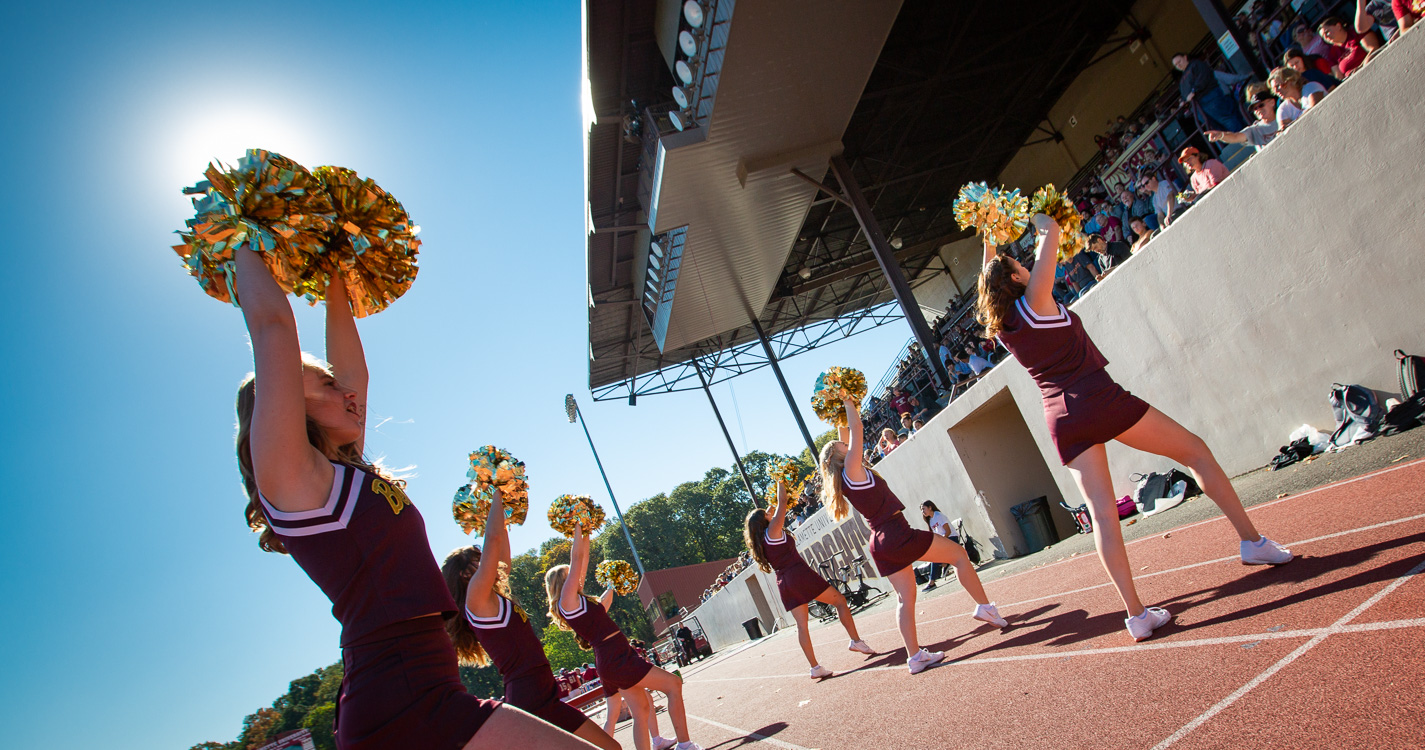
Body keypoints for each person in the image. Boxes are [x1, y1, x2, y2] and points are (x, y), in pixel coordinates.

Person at [230, 246, 591, 749]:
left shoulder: (347, 469)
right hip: (394, 697)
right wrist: (248, 225)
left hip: (426, 679)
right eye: (330, 385)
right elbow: (272, 328)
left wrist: (332, 260)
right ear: (290, 405)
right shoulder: (296, 480)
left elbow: (358, 374)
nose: (349, 392)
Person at [975, 213, 1294, 643]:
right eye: (1020, 266)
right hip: (1096, 397)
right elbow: (1050, 231)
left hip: (1060, 417)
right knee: (1196, 452)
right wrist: (1037, 216)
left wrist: (989, 231)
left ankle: (1137, 615)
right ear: (1015, 276)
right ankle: (1252, 542)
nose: (1028, 267)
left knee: (1103, 516)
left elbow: (989, 272)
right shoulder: (1035, 301)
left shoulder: (1005, 323)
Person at [819, 401, 1008, 674]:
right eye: (843, 447)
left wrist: (838, 410)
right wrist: (849, 400)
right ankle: (984, 607)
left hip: (880, 541)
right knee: (959, 555)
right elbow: (856, 428)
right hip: (896, 533)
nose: (848, 446)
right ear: (840, 457)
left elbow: (847, 432)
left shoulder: (846, 476)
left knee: (905, 599)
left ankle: (915, 656)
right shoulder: (852, 468)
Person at [441, 493, 620, 750]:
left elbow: (499, 541)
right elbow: (492, 538)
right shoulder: (476, 600)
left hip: (542, 694)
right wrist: (497, 489)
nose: (485, 560)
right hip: (530, 699)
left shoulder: (492, 598)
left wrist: (508, 506)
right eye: (477, 558)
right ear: (465, 573)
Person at [548, 523, 703, 750]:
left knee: (640, 711)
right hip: (615, 657)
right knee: (672, 685)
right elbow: (577, 558)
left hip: (614, 657)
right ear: (563, 582)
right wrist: (577, 526)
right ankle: (685, 745)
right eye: (570, 575)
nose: (577, 576)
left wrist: (588, 531)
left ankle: (671, 744)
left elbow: (586, 562)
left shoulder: (581, 603)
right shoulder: (567, 602)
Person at [744, 478, 875, 678]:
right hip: (798, 574)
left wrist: (767, 510)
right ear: (764, 521)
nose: (770, 514)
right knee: (839, 601)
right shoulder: (773, 531)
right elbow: (782, 503)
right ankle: (855, 641)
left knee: (802, 626)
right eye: (766, 514)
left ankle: (815, 667)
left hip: (784, 582)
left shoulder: (762, 540)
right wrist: (780, 478)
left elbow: (773, 510)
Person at [1172, 52, 1246, 132]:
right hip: (1199, 107)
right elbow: (1184, 95)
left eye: (1179, 62)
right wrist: (1183, 101)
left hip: (1210, 97)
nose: (1178, 65)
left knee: (1227, 119)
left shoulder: (1196, 64)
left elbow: (1203, 79)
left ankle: (1244, 136)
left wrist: (1194, 91)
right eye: (1176, 65)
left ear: (1185, 57)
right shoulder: (1182, 81)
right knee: (1217, 128)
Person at [1207, 90, 1281, 154]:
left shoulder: (1284, 114)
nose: (1258, 110)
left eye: (1261, 105)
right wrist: (1221, 135)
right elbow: (1235, 137)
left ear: (1272, 102)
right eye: (1255, 108)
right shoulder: (1254, 130)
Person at [919, 501, 955, 592]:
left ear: (930, 507)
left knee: (936, 556)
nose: (922, 511)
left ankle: (932, 582)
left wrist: (940, 542)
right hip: (943, 541)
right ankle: (944, 563)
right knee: (934, 555)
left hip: (951, 538)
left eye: (924, 509)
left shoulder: (938, 516)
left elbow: (948, 531)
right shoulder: (930, 521)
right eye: (921, 510)